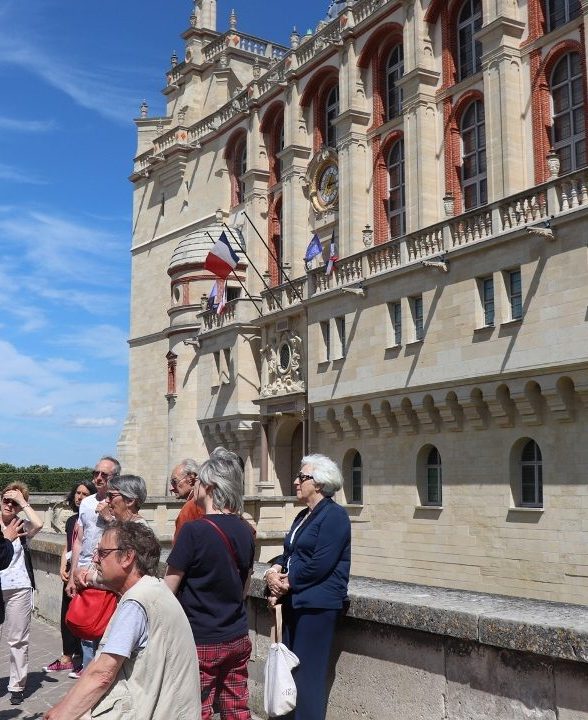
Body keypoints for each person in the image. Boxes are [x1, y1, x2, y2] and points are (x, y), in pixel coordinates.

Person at [43, 521, 201, 720]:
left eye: (102, 553)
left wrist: (61, 714)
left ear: (127, 557)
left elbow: (102, 674)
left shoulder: (136, 602)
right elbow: (98, 666)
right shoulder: (155, 589)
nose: (95, 559)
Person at [165, 455, 255, 720]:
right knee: (237, 709)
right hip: (237, 634)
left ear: (212, 487)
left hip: (201, 637)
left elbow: (167, 590)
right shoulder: (246, 530)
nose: (196, 487)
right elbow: (244, 589)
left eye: (201, 482)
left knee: (196, 709)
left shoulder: (193, 531)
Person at [264, 454, 351, 720]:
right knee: (288, 676)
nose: (296, 481)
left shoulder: (335, 516)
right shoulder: (304, 515)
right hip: (295, 603)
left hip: (316, 607)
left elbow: (320, 564)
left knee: (307, 678)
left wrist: (285, 584)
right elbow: (290, 552)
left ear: (321, 483)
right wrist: (274, 570)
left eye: (302, 477)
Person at [66, 455, 120, 676]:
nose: (98, 478)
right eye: (95, 473)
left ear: (115, 477)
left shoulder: (121, 502)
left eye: (104, 474)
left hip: (109, 575)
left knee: (108, 632)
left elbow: (129, 535)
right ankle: (88, 681)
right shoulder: (87, 503)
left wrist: (110, 518)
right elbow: (78, 540)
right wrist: (71, 575)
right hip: (85, 573)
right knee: (87, 633)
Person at [43, 480, 97, 675]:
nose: (79, 497)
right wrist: (61, 566)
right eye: (77, 493)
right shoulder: (72, 520)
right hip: (69, 572)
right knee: (67, 616)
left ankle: (83, 660)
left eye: (84, 493)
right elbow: (69, 545)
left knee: (85, 617)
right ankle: (67, 656)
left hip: (85, 573)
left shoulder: (95, 518)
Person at [0, 481, 44, 705]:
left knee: (17, 640)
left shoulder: (22, 525)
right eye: (6, 499)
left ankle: (16, 685)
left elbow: (39, 523)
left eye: (13, 502)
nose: (9, 505)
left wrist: (22, 502)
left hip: (19, 588)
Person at [169, 459, 203, 543]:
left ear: (190, 478)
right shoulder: (206, 502)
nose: (171, 488)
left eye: (174, 481)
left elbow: (179, 548)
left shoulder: (190, 508)